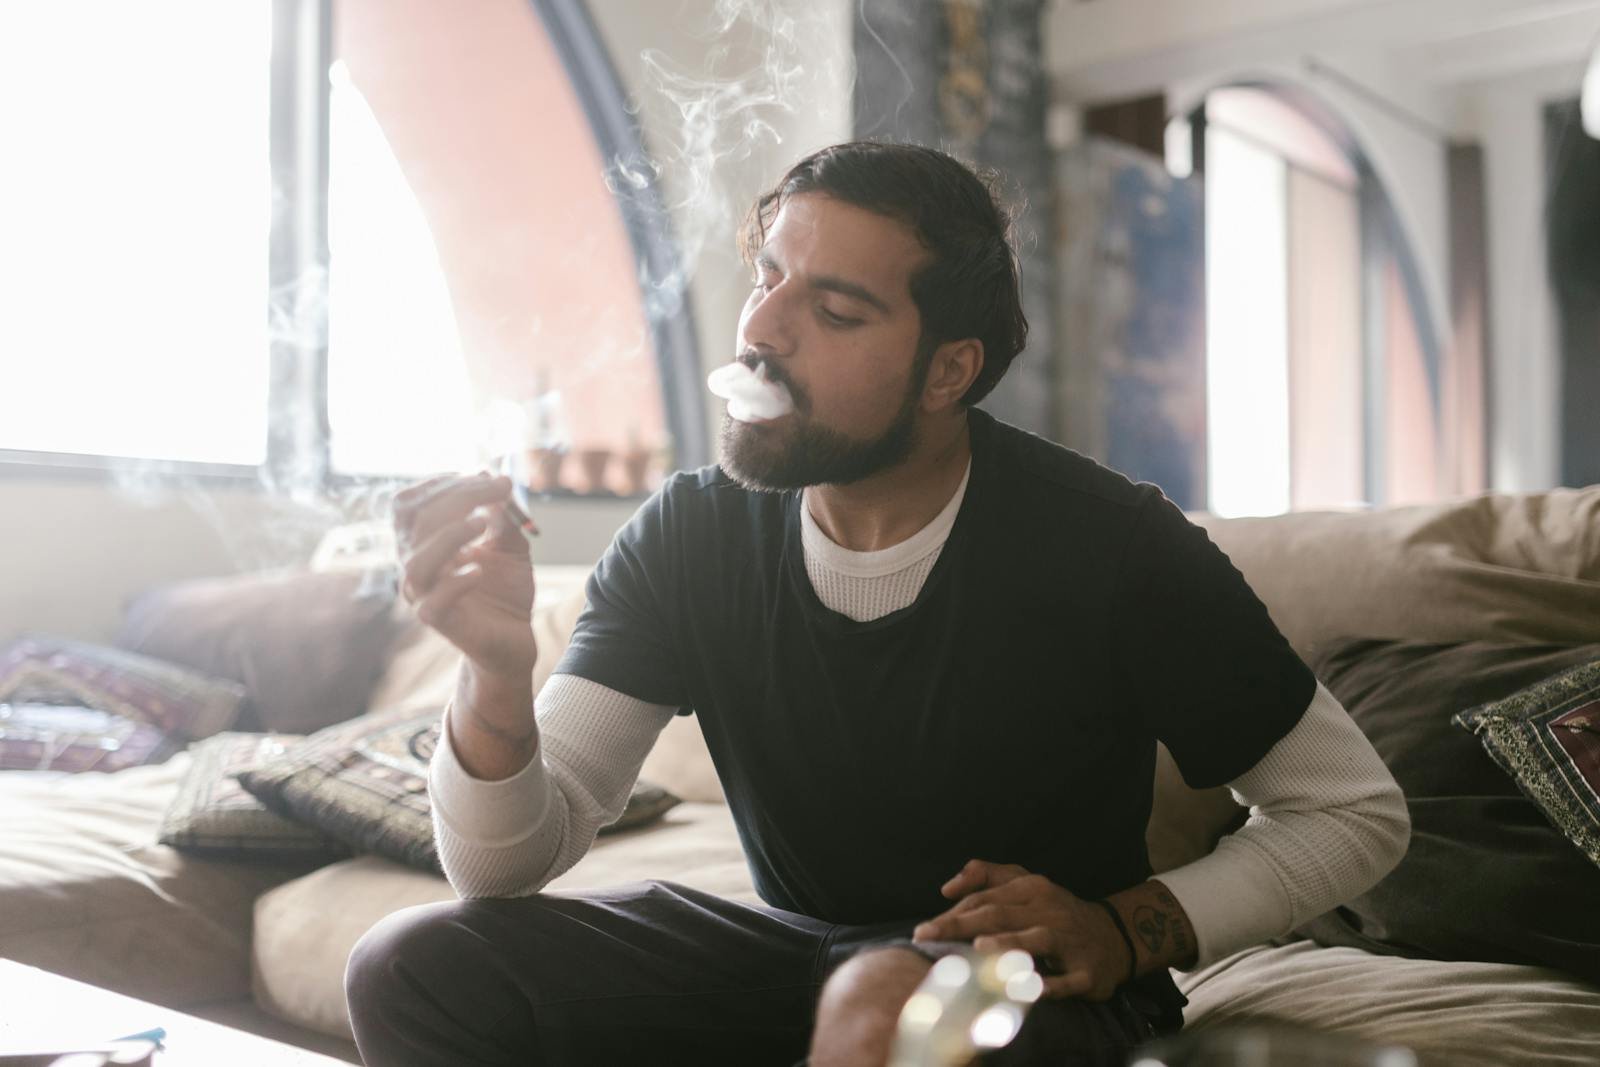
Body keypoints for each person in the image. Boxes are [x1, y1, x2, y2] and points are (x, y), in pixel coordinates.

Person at [345, 142, 1409, 1067]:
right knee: (416, 962)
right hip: (791, 952)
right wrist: (495, 673)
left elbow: (1354, 811)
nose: (762, 329)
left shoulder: (1112, 543)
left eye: (835, 310)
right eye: (768, 278)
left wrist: (1131, 926)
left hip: (1022, 987)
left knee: (880, 1001)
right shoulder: (693, 532)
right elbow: (503, 862)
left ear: (947, 371)